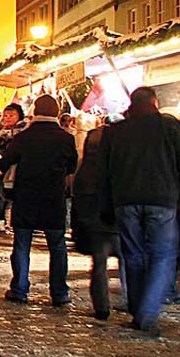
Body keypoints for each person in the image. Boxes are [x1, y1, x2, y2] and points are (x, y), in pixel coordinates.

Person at [98, 87, 180, 335]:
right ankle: (147, 312)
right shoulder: (172, 128)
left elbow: (105, 173)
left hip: (126, 201)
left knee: (133, 255)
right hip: (162, 201)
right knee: (162, 256)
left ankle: (137, 309)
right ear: (155, 103)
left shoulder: (116, 132)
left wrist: (106, 207)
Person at [0, 94, 77, 307]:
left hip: (26, 198)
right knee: (57, 246)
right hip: (53, 198)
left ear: (35, 111)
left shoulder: (24, 137)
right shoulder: (66, 138)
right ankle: (59, 292)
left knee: (22, 245)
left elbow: (6, 161)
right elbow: (72, 166)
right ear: (56, 112)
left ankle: (19, 289)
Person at [72, 123, 123, 320]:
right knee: (128, 260)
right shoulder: (116, 164)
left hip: (95, 224)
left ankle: (102, 306)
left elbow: (77, 198)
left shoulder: (85, 168)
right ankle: (131, 301)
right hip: (114, 219)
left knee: (100, 264)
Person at [0, 103, 26, 232]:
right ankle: (0, 220)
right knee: (0, 195)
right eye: (6, 115)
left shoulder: (24, 131)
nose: (8, 118)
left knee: (13, 196)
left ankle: (11, 220)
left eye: (12, 115)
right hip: (0, 168)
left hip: (17, 169)